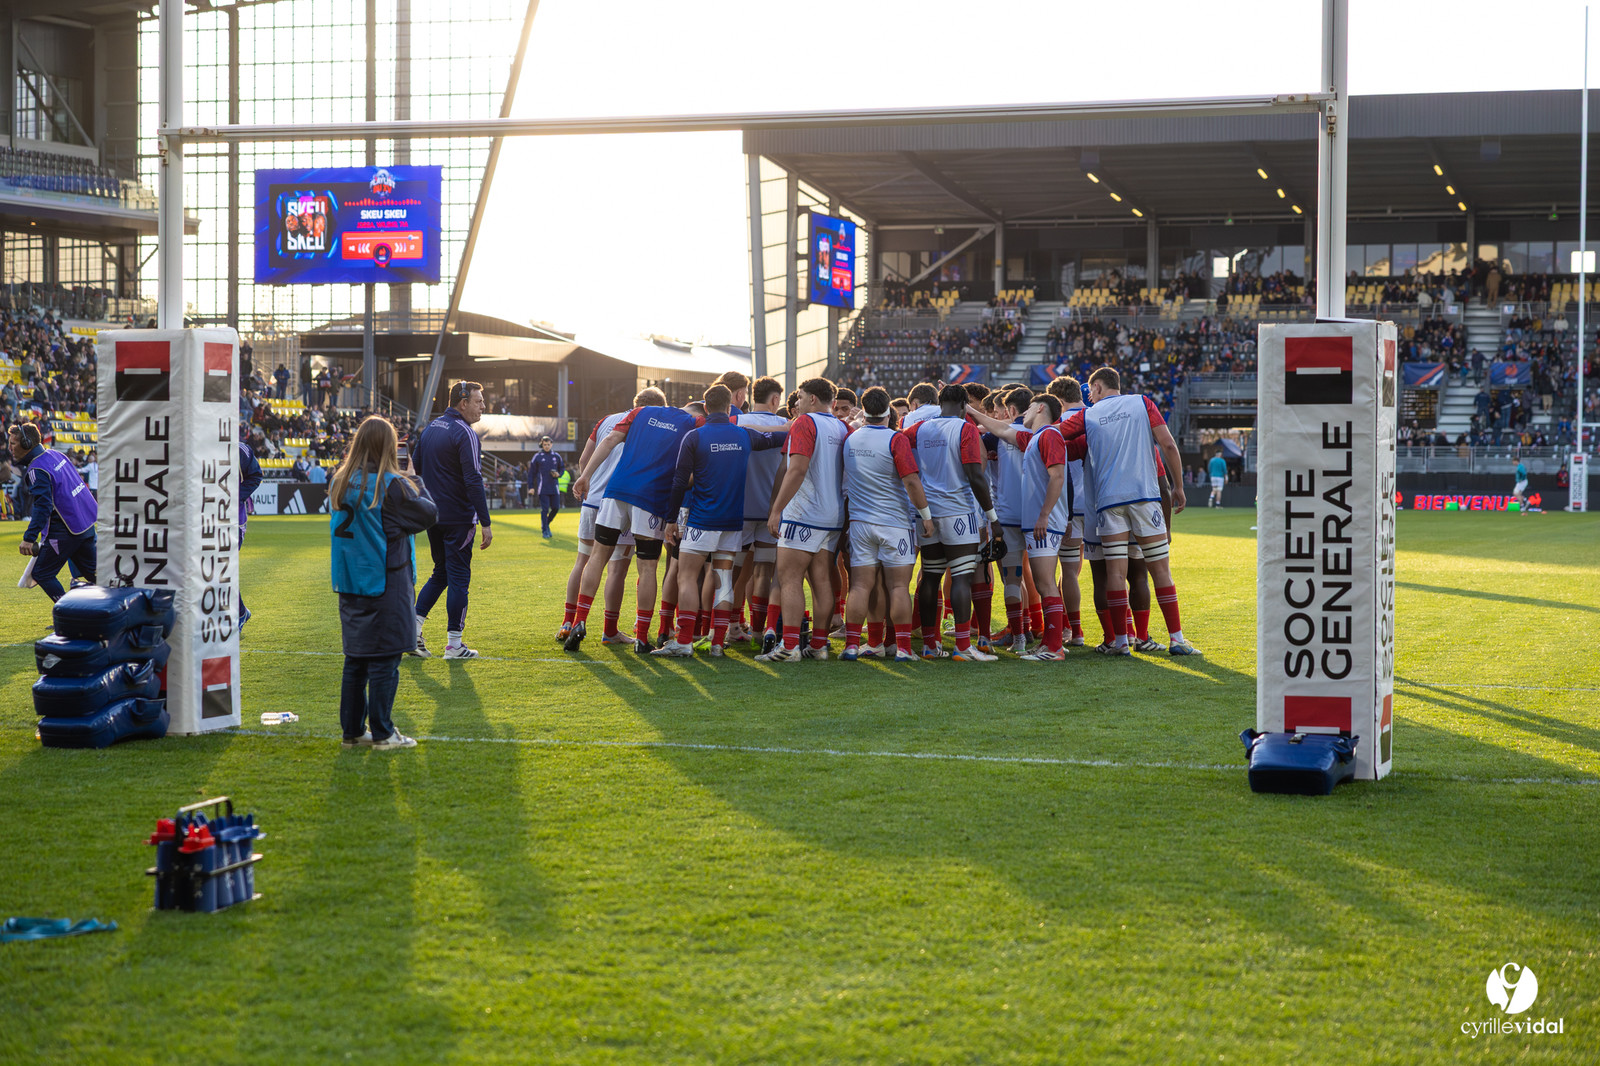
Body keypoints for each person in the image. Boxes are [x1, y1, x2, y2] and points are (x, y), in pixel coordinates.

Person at [1058, 366, 1199, 656]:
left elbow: (1054, 435)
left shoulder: (1088, 415)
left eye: (1090, 390)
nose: (1089, 396)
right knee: (1159, 570)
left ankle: (1121, 642)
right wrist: (1178, 486)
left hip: (1108, 502)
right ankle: (1176, 639)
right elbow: (1168, 444)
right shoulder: (1142, 403)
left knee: (1114, 572)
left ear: (1097, 387)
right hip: (1145, 496)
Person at [329, 416, 437, 751]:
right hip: (385, 580)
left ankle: (352, 732)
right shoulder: (391, 484)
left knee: (356, 658)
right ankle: (383, 733)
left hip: (350, 580)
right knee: (386, 659)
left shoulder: (340, 481)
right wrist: (414, 477)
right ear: (389, 446)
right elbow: (429, 514)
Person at [655, 384, 786, 657]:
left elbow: (680, 482)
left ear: (705, 407)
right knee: (724, 579)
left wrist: (670, 519)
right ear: (729, 407)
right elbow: (774, 439)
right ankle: (717, 643)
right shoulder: (743, 435)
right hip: (732, 523)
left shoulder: (695, 436)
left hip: (702, 520)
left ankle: (685, 641)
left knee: (687, 576)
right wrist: (794, 426)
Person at [564, 394, 699, 652]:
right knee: (647, 568)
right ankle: (642, 638)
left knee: (596, 558)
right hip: (650, 499)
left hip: (615, 492)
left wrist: (585, 476)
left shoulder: (639, 412)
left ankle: (579, 622)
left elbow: (609, 440)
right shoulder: (693, 422)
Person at [904, 383, 1002, 661]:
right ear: (963, 406)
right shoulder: (964, 428)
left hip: (927, 514)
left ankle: (930, 645)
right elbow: (975, 474)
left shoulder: (920, 428)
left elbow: (897, 442)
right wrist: (992, 518)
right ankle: (962, 646)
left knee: (930, 577)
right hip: (958, 511)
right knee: (961, 576)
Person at [840, 386, 935, 663]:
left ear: (864, 409)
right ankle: (903, 648)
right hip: (894, 524)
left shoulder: (851, 439)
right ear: (888, 412)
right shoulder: (896, 439)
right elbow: (911, 481)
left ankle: (854, 645)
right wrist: (926, 515)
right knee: (898, 587)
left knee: (860, 586)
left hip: (860, 523)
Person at [758, 377, 850, 662]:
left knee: (789, 578)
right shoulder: (841, 426)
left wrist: (776, 510)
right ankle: (819, 645)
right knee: (822, 580)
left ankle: (789, 647)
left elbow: (796, 469)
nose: (796, 402)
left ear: (812, 398)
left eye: (799, 397)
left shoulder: (805, 423)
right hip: (833, 514)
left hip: (804, 513)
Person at [412, 381, 492, 659]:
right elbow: (473, 479)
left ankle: (412, 632)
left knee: (441, 573)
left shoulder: (430, 429)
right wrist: (486, 522)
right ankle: (454, 645)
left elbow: (415, 468)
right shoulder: (465, 432)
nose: (483, 406)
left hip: (432, 516)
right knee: (458, 578)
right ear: (463, 403)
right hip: (458, 517)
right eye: (479, 401)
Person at [10, 422, 96, 603]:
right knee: (94, 574)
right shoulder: (56, 454)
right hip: (85, 524)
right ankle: (119, 607)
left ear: (26, 443)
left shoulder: (37, 469)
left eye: (13, 443)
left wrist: (29, 537)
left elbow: (43, 506)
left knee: (42, 573)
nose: (10, 448)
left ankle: (70, 612)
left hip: (65, 529)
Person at [238, 439, 263, 628]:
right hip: (206, 518)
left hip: (234, 520)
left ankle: (238, 614)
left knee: (223, 567)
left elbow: (256, 475)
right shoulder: (199, 444)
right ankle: (239, 612)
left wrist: (234, 497)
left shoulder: (239, 449)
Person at [528, 436, 566, 539]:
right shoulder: (537, 456)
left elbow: (562, 469)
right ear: (542, 445)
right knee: (545, 509)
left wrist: (559, 474)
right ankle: (545, 530)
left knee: (556, 508)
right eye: (545, 444)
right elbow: (531, 473)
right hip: (543, 488)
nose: (547, 446)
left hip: (554, 487)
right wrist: (531, 487)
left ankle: (546, 524)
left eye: (548, 444)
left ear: (551, 444)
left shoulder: (556, 456)